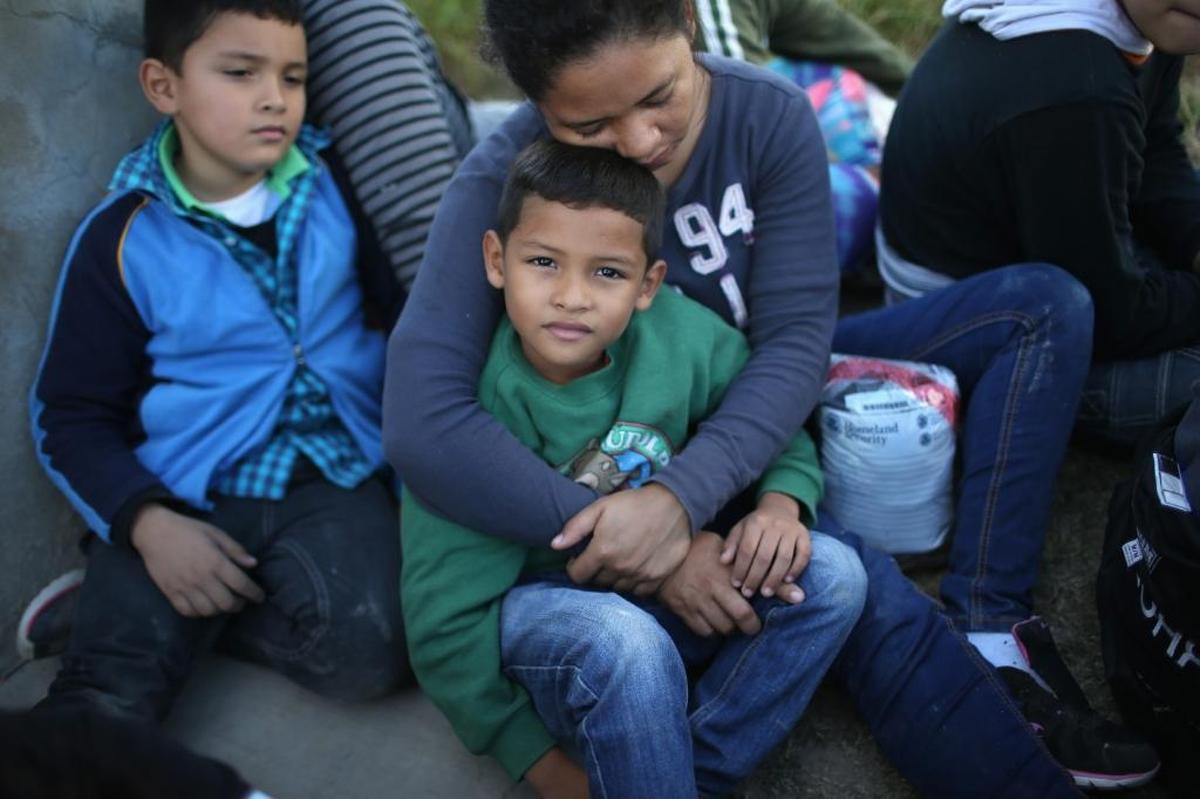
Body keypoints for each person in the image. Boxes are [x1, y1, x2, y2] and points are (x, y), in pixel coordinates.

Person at [385, 0, 1120, 793]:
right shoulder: (510, 184)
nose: (638, 143)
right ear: (537, 106)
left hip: (749, 394)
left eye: (660, 95)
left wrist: (683, 500)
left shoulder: (767, 114)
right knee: (859, 590)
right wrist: (649, 537)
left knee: (1043, 306)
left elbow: (796, 342)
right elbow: (425, 423)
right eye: (590, 127)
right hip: (649, 436)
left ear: (692, 28)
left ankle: (992, 623)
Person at [402, 138, 865, 797]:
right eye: (543, 262)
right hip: (550, 617)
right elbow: (442, 620)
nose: (571, 296)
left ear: (649, 284)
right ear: (495, 260)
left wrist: (781, 502)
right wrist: (541, 765)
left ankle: (679, 777)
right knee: (625, 639)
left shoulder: (683, 336)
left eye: (607, 273)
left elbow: (768, 417)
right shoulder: (471, 409)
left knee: (834, 577)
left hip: (662, 599)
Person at [28, 0, 407, 725]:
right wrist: (143, 521)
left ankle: (179, 622)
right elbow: (69, 412)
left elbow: (399, 315)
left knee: (374, 653)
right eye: (240, 73)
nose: (274, 98)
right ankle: (112, 616)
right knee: (109, 696)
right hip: (181, 491)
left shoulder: (335, 188)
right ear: (163, 86)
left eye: (293, 77)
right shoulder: (124, 234)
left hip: (334, 473)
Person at [880, 0, 1200, 448]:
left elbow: (1156, 145)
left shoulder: (1154, 18)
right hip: (981, 329)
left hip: (1053, 245)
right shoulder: (1079, 84)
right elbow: (1111, 317)